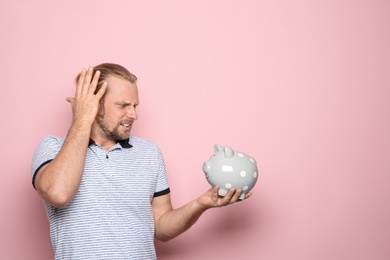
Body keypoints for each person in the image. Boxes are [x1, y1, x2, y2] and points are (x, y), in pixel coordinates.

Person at [31, 63, 252, 259]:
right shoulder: (52, 147)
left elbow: (161, 227)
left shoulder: (149, 152)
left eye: (135, 105)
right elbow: (58, 193)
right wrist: (81, 119)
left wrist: (201, 204)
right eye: (123, 105)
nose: (133, 115)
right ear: (94, 104)